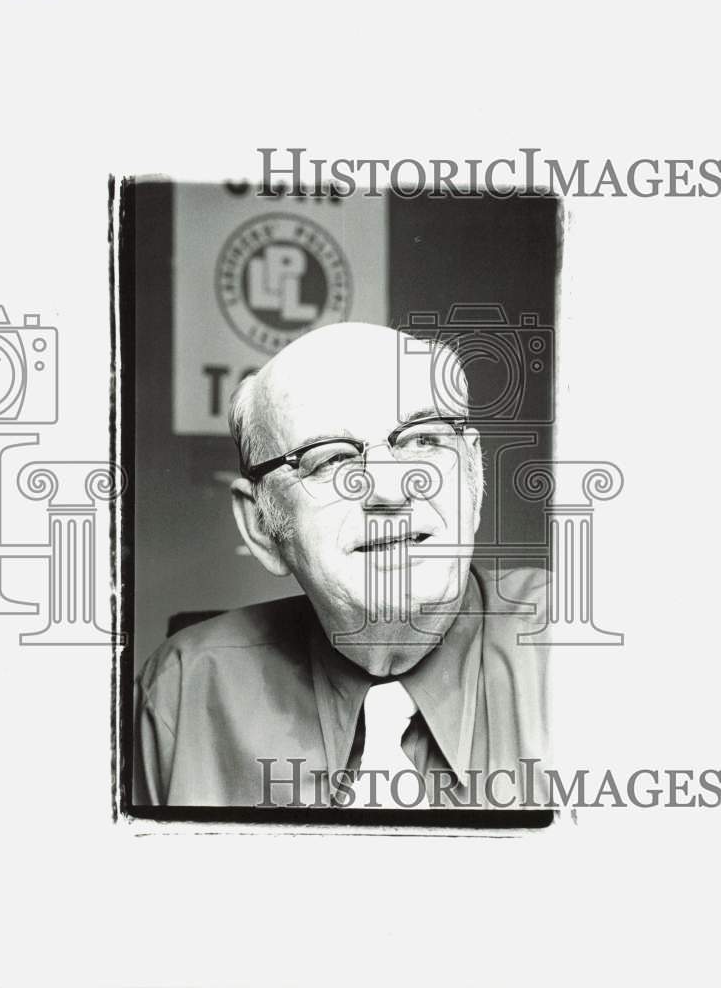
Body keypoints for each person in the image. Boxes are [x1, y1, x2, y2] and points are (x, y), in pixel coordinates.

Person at [135, 323, 550, 809]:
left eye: (423, 441)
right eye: (330, 459)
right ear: (262, 528)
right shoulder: (181, 694)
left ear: (474, 475)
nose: (392, 490)